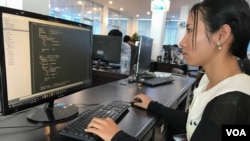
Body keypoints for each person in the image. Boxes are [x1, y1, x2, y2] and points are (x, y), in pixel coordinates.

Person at [85, 0, 250, 140]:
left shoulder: (231, 104)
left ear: (221, 35)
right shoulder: (213, 80)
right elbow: (196, 122)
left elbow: (211, 127)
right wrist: (153, 106)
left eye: (190, 30)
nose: (181, 42)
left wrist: (117, 136)